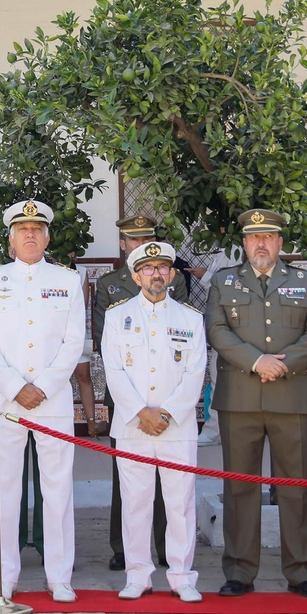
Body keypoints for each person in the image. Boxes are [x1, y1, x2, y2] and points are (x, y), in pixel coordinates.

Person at [206, 208, 307, 598]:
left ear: (280, 242)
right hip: (239, 398)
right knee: (240, 487)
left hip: (290, 397)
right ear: (243, 243)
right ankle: (239, 571)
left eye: (269, 237)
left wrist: (283, 364)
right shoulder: (224, 282)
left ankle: (301, 571)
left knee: (296, 487)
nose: (261, 244)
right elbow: (216, 330)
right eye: (253, 237)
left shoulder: (304, 281)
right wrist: (256, 361)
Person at [0, 198, 86, 602]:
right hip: (5, 399)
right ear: (10, 241)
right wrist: (14, 385)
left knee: (57, 487)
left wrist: (46, 384)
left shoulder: (68, 281)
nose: (31, 235)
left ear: (47, 237)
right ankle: (4, 575)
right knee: (5, 488)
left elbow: (75, 340)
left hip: (52, 398)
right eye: (23, 230)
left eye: (37, 229)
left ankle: (60, 576)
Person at [101, 240, 206, 602]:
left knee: (179, 502)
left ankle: (181, 576)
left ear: (172, 273)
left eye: (162, 267)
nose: (156, 274)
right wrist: (140, 412)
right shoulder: (116, 317)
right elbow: (112, 369)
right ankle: (137, 575)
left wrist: (167, 413)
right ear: (135, 275)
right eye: (148, 268)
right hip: (133, 426)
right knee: (135, 502)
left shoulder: (191, 318)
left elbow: (196, 373)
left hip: (176, 427)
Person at [92, 214, 182, 571]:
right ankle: (123, 547)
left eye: (146, 239)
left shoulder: (172, 279)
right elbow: (104, 340)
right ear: (122, 244)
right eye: (133, 240)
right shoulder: (109, 284)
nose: (139, 245)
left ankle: (164, 546)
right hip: (127, 396)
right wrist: (137, 401)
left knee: (168, 478)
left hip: (168, 400)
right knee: (127, 476)